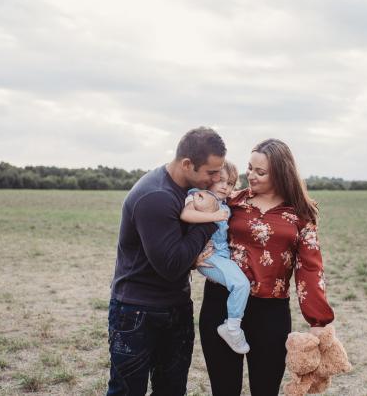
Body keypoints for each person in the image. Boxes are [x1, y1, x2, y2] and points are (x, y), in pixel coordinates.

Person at [199, 138, 335, 396]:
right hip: (222, 305)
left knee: (265, 389)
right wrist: (191, 257)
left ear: (281, 174)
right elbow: (196, 225)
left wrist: (318, 319)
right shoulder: (231, 202)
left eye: (260, 172)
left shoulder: (300, 214)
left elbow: (310, 268)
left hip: (270, 312)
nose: (251, 175)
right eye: (249, 168)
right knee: (224, 390)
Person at [107, 127, 226, 396]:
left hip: (176, 307)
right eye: (211, 172)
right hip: (137, 313)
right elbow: (172, 266)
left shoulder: (187, 190)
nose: (217, 178)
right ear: (187, 164)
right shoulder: (156, 196)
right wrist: (211, 220)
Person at [180, 161, 251, 354]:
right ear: (209, 179)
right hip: (209, 256)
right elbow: (186, 214)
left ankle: (232, 324)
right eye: (220, 181)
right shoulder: (200, 195)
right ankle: (232, 327)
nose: (224, 187)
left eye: (229, 184)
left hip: (221, 255)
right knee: (241, 284)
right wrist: (214, 216)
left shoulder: (223, 202)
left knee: (239, 284)